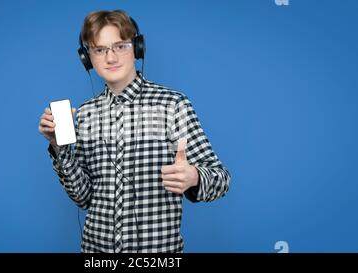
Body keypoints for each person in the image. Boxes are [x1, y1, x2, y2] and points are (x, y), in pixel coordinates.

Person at [38, 10, 231, 253]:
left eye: (120, 46)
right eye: (100, 50)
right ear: (88, 58)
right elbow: (83, 197)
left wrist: (193, 177)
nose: (110, 57)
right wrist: (59, 147)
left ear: (137, 48)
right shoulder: (85, 114)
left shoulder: (172, 106)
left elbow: (221, 179)